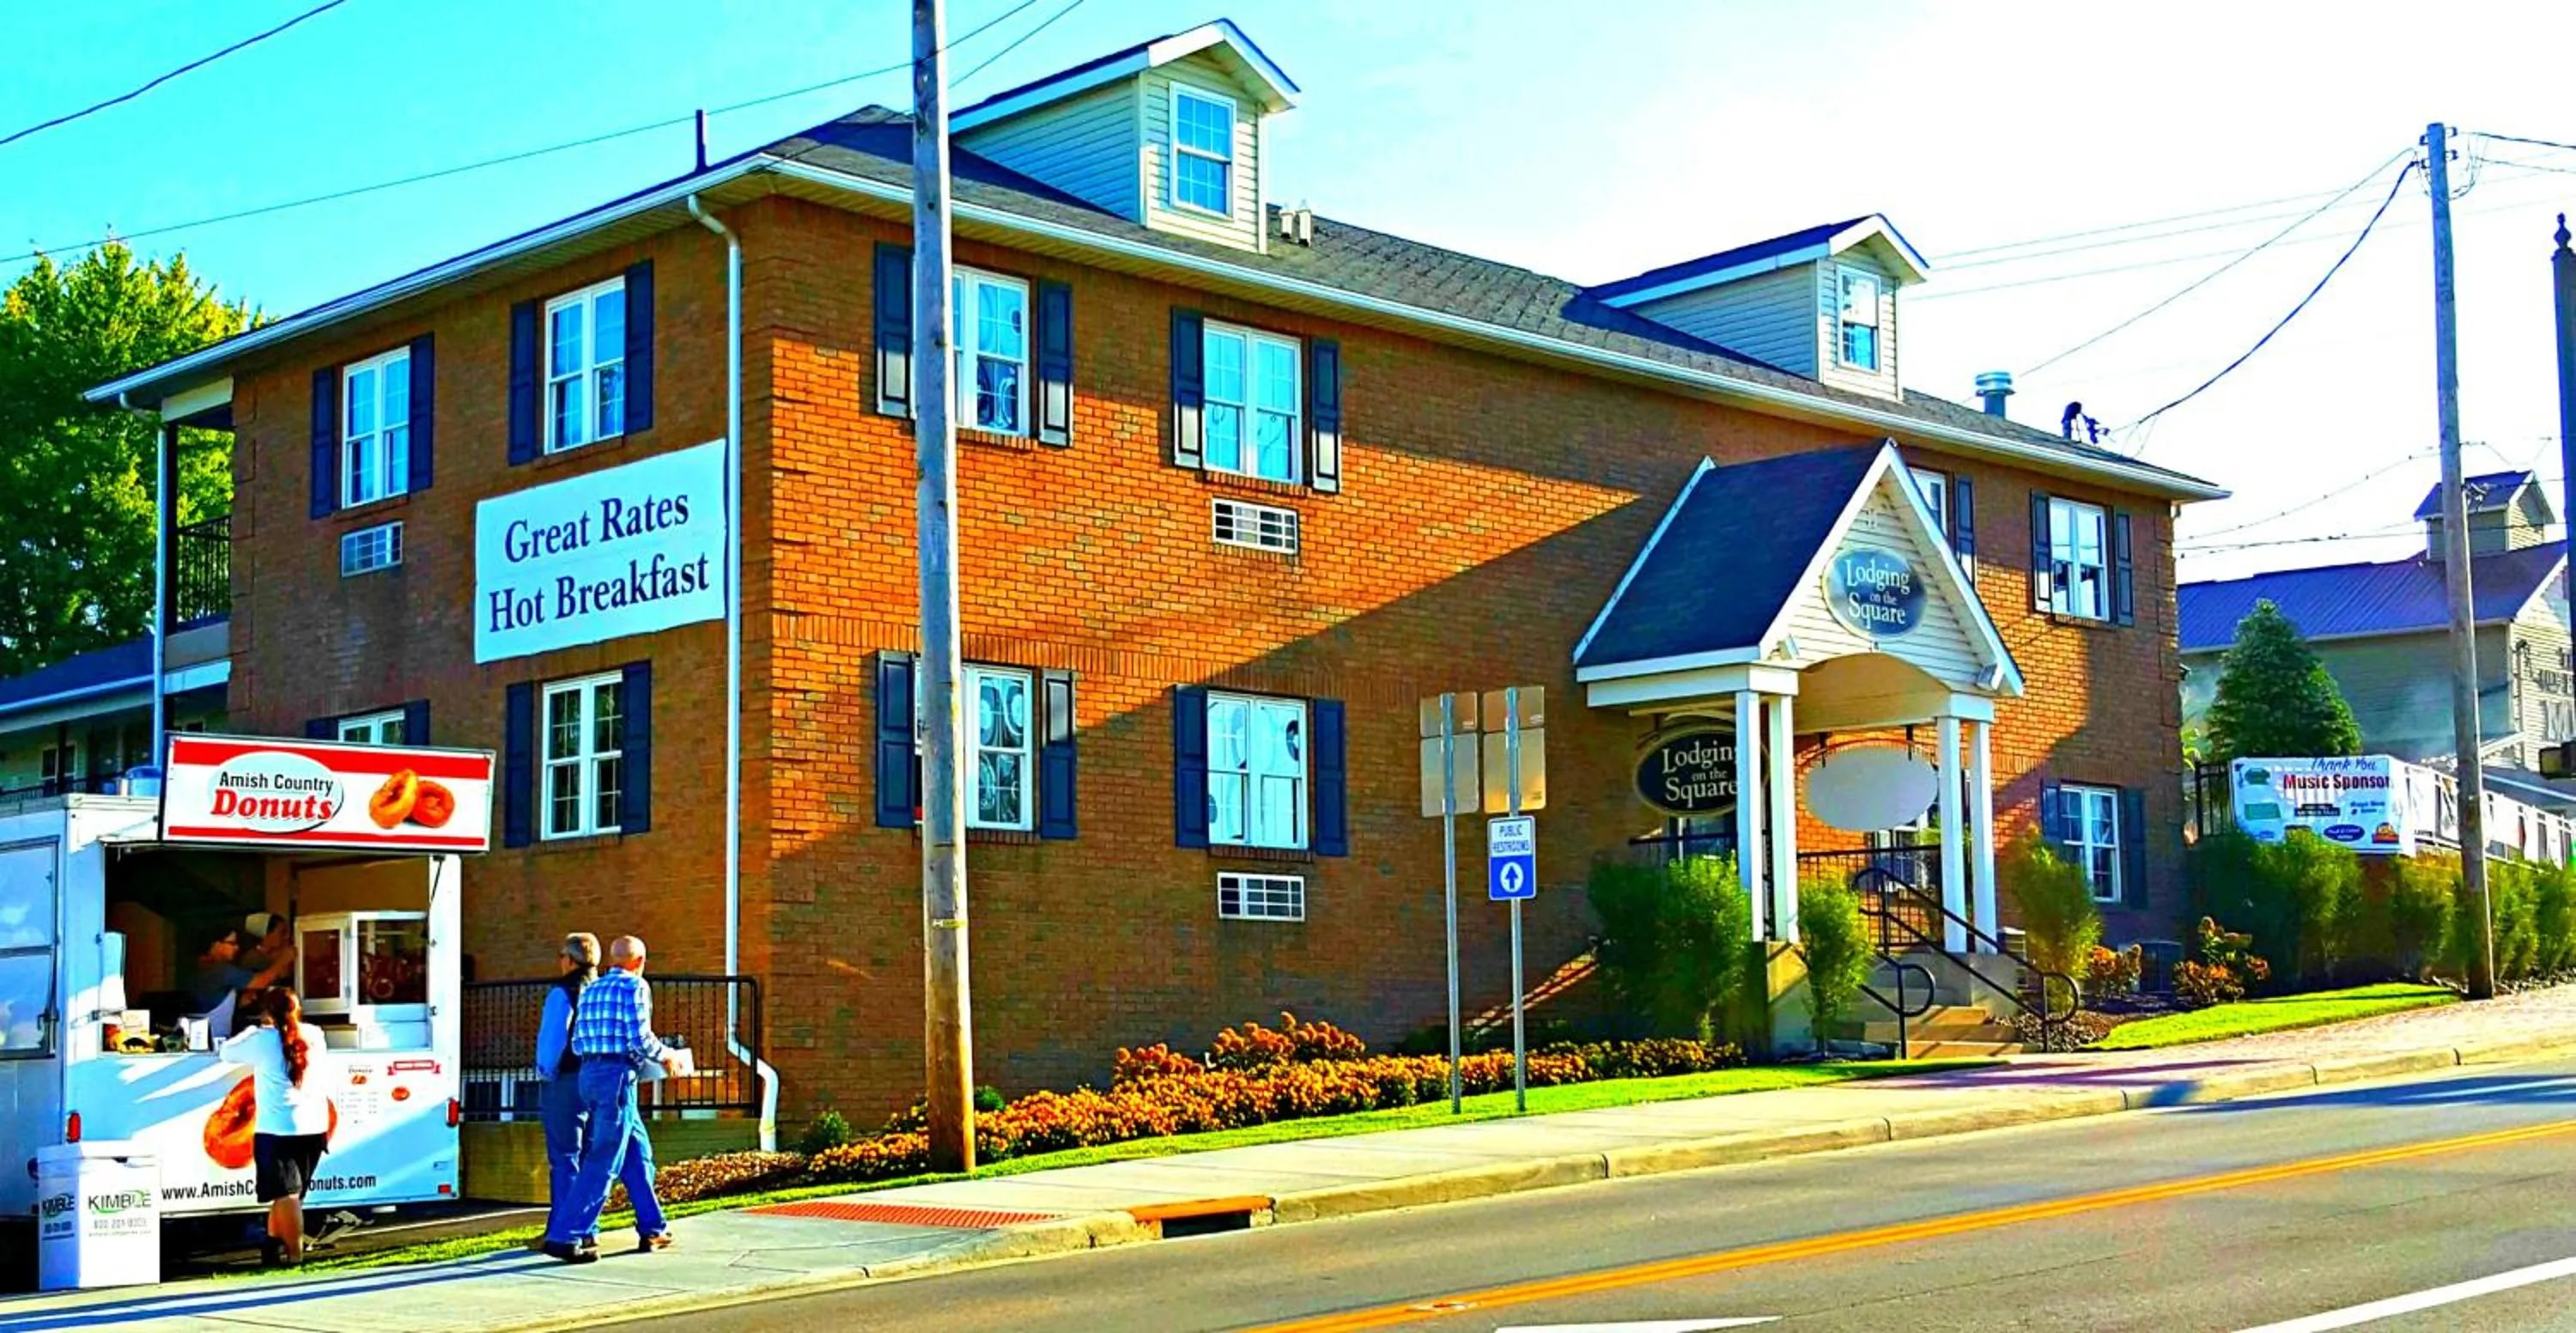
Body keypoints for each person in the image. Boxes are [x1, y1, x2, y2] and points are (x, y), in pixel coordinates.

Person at [543, 934, 683, 1263]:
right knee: (604, 1158)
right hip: (617, 1077)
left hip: (588, 1074)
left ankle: (653, 1227)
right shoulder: (635, 986)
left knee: (637, 1152)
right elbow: (640, 1037)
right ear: (639, 962)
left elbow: (576, 1040)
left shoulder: (593, 989)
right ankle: (568, 1233)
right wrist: (666, 1056)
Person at [218, 987, 331, 1266]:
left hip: (278, 1129)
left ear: (266, 1012)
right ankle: (271, 1245)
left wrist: (251, 1028)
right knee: (290, 1195)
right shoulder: (315, 1035)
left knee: (287, 1195)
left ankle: (295, 1257)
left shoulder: (262, 1039)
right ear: (297, 1009)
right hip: (314, 1126)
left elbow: (225, 1052)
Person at [533, 933, 601, 1254]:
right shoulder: (603, 990)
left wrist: (545, 1073)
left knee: (564, 1158)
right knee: (592, 1158)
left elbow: (554, 1040)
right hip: (598, 1078)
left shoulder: (563, 993)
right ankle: (588, 1228)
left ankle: (561, 1230)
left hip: (567, 1079)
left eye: (561, 954)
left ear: (570, 959)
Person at [191, 928, 293, 1013]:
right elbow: (260, 981)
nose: (237, 948)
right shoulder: (221, 970)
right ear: (216, 945)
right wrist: (284, 960)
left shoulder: (202, 968)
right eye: (232, 943)